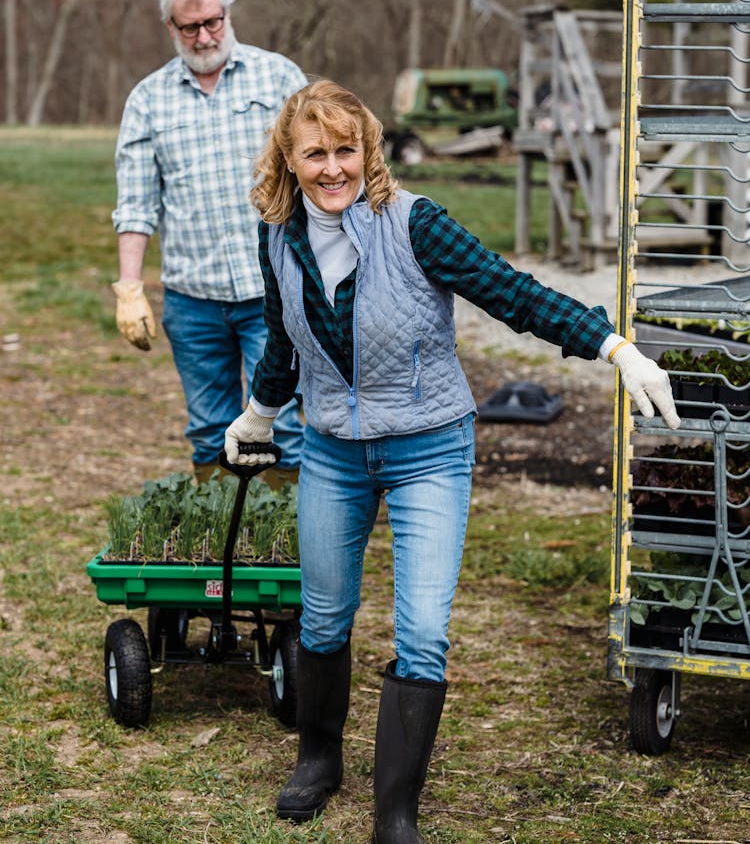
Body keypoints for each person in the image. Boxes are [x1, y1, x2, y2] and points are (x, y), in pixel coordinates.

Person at [223, 79, 680, 843]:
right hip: (333, 448)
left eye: (347, 149)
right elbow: (283, 338)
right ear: (289, 159)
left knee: (423, 629)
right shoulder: (277, 234)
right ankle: (318, 758)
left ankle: (395, 810)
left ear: (367, 150)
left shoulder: (414, 224)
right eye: (316, 153)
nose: (333, 167)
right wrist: (257, 413)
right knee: (325, 613)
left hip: (428, 446)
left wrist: (615, 345)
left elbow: (513, 293)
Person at [112, 0, 305, 483]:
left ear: (228, 12)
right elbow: (135, 203)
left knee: (282, 425)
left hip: (274, 293)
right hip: (192, 299)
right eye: (189, 27)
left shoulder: (280, 76)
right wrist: (130, 287)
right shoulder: (148, 99)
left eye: (213, 21)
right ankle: (226, 546)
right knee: (208, 428)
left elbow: (318, 179)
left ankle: (290, 550)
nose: (204, 36)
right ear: (170, 28)